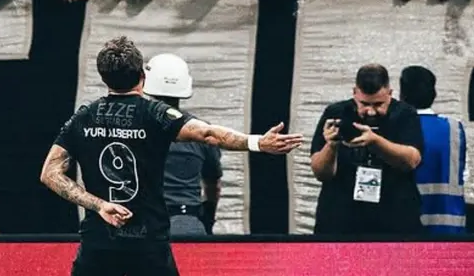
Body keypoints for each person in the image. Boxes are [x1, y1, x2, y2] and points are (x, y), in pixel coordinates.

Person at [41, 36, 303, 276]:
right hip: (148, 245)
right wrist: (257, 142)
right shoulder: (154, 114)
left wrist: (98, 205)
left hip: (98, 243)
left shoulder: (83, 116)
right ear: (142, 76)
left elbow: (50, 173)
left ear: (103, 77)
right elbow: (209, 134)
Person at [310, 63, 423, 235]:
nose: (371, 112)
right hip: (341, 219)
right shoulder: (336, 113)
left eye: (378, 104)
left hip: (394, 218)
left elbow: (412, 160)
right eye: (364, 104)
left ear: (390, 94)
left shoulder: (405, 114)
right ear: (354, 92)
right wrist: (331, 145)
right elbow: (320, 172)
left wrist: (375, 141)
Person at [144, 53, 223, 236]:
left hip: (145, 224)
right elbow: (213, 185)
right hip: (188, 225)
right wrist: (208, 217)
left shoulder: (135, 129)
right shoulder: (202, 131)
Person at [399, 65, 466, 235]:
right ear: (434, 93)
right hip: (449, 229)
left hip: (404, 229)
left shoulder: (396, 128)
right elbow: (464, 174)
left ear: (401, 95)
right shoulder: (454, 128)